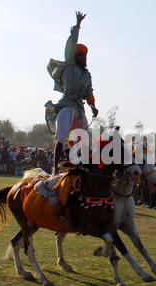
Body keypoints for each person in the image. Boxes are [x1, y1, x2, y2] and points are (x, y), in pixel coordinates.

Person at [45, 11, 98, 174]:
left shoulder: (86, 75)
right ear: (76, 56)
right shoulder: (69, 65)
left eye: (85, 55)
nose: (84, 57)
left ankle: (80, 166)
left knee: (86, 139)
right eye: (81, 54)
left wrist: (93, 106)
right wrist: (78, 25)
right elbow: (72, 42)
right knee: (61, 137)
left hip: (79, 108)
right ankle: (54, 169)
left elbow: (89, 92)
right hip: (66, 105)